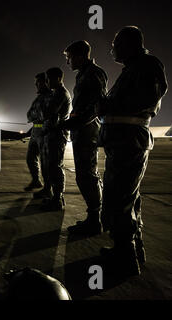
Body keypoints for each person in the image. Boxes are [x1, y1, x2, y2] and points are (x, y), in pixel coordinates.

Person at [98, 26, 168, 276]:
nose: (113, 47)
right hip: (121, 142)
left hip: (129, 142)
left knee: (120, 198)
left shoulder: (147, 65)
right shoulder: (133, 69)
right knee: (125, 197)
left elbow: (148, 97)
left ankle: (126, 259)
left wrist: (108, 104)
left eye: (116, 43)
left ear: (130, 43)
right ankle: (129, 249)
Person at [62, 41, 108, 236]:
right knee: (85, 175)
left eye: (69, 57)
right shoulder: (84, 74)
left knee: (87, 175)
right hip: (82, 130)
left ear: (80, 56)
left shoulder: (93, 73)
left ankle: (95, 220)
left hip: (87, 131)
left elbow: (95, 106)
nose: (68, 62)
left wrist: (72, 123)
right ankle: (94, 217)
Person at [38, 67, 72, 211]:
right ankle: (50, 192)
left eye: (49, 79)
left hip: (57, 134)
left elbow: (46, 112)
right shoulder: (55, 93)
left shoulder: (60, 94)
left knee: (55, 166)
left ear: (58, 78)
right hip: (50, 134)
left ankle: (57, 198)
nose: (46, 83)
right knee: (48, 165)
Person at [23, 73, 52, 192]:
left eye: (38, 82)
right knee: (30, 158)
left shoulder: (51, 96)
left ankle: (47, 187)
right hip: (35, 131)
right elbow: (29, 115)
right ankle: (36, 180)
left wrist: (37, 115)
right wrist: (37, 115)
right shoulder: (39, 98)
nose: (36, 85)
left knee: (45, 161)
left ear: (45, 82)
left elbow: (45, 115)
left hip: (44, 132)